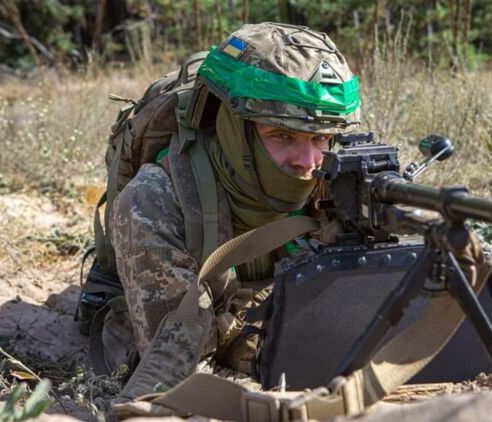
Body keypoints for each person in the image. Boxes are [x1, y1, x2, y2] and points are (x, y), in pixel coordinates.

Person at [108, 22, 362, 401]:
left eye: (320, 137)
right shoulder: (155, 201)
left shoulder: (339, 181)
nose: (308, 161)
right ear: (233, 128)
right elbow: (179, 365)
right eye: (282, 135)